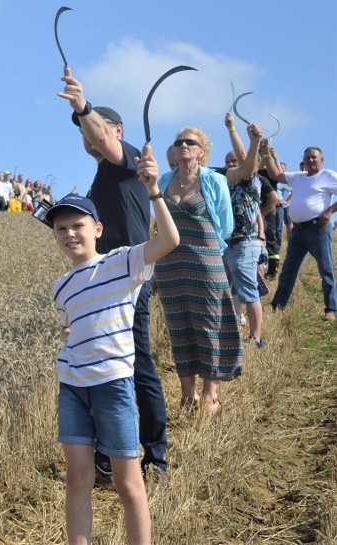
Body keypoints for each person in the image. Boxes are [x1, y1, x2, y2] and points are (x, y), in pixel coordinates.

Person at [49, 145, 179, 545]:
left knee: (128, 483)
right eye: (61, 229)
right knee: (77, 479)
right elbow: (73, 324)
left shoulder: (123, 262)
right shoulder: (61, 286)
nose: (70, 233)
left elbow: (169, 240)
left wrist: (155, 190)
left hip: (113, 385)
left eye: (78, 225)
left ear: (98, 229)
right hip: (72, 387)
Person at [59, 69, 169, 482]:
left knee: (136, 363)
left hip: (128, 279)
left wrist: (82, 106)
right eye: (83, 132)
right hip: (101, 283)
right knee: (104, 364)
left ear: (116, 130)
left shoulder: (128, 159)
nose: (89, 138)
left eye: (95, 130)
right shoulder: (103, 174)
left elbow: (105, 140)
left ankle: (155, 457)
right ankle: (112, 454)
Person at [155, 126, 242, 415]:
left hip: (206, 263)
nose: (182, 145)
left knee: (208, 327)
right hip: (170, 266)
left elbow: (226, 226)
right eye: (178, 141)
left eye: (189, 142)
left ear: (200, 151)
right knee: (179, 328)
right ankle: (186, 395)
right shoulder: (163, 180)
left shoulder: (214, 180)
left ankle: (210, 394)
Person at [263, 145, 337, 321]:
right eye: (307, 158)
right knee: (288, 269)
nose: (310, 160)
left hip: (317, 228)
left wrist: (329, 211)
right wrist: (265, 152)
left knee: (325, 270)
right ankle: (277, 306)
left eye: (314, 157)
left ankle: (331, 310)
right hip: (298, 230)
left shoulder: (327, 175)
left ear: (321, 160)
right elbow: (274, 174)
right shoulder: (298, 177)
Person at [220, 123, 268, 346]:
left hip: (245, 243)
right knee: (227, 292)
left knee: (249, 292)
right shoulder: (227, 183)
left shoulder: (251, 180)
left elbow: (243, 157)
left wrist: (232, 130)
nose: (232, 164)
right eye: (228, 162)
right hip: (227, 244)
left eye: (234, 161)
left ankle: (256, 338)